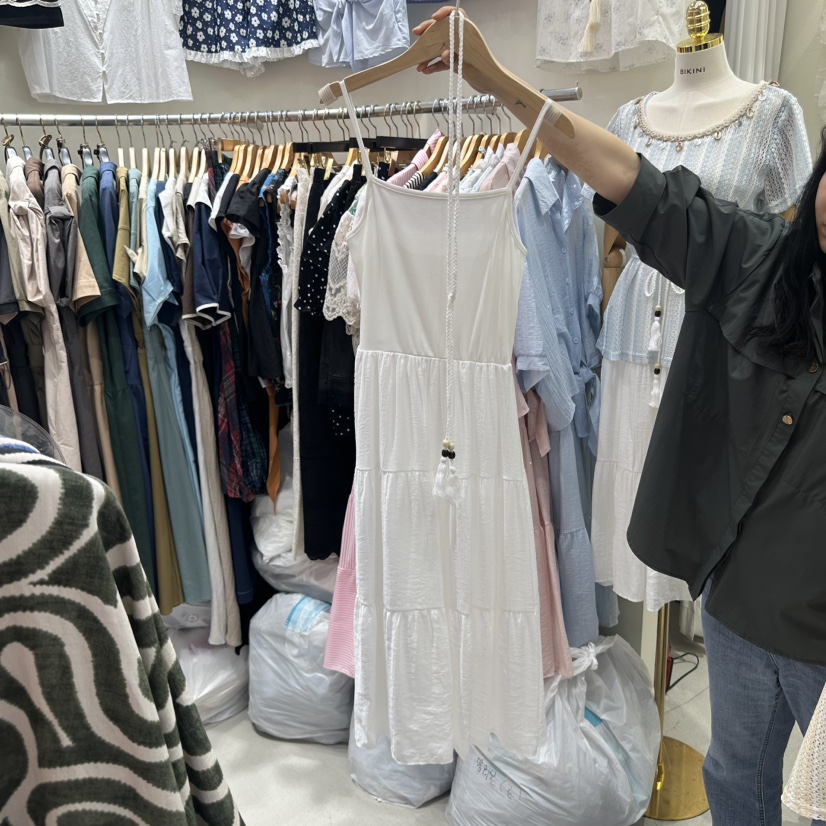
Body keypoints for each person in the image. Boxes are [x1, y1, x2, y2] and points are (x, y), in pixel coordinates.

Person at [413, 8, 826, 825]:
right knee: (738, 773)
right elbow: (631, 179)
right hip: (740, 596)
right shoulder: (757, 262)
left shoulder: (773, 113)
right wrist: (490, 77)